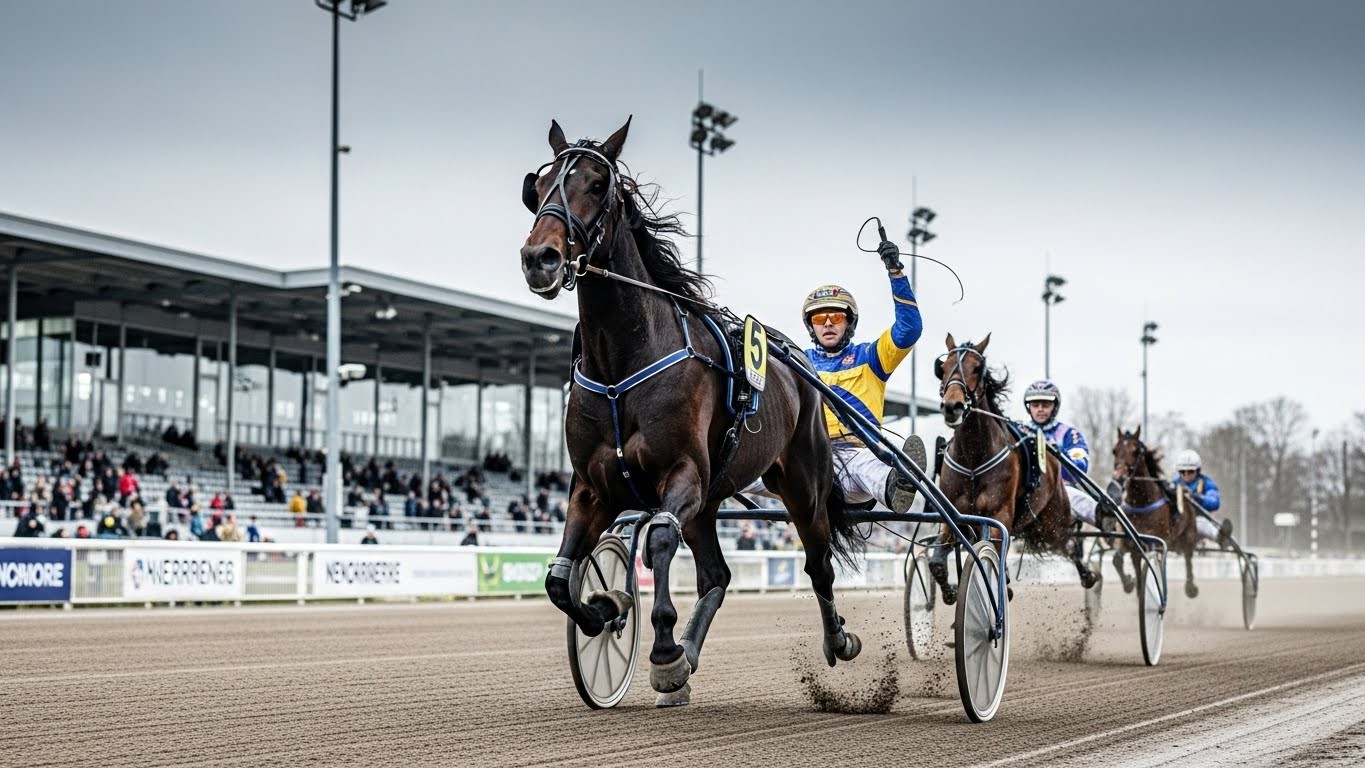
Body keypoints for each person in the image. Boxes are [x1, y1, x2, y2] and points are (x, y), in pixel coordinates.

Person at [743, 238, 927, 511]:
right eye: (819, 319)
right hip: (802, 461)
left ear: (849, 322)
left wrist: (896, 273)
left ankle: (897, 482)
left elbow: (909, 329)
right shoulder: (796, 362)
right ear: (811, 327)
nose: (828, 324)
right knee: (741, 466)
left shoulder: (872, 356)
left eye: (836, 318)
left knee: (868, 466)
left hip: (854, 457)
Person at [1020, 379, 1098, 526]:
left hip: (1060, 491)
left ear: (1054, 407)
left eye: (1046, 405)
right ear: (1028, 407)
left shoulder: (1069, 435)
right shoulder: (1018, 432)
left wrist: (1053, 460)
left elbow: (1079, 467)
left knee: (1077, 499)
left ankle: (1105, 517)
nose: (1040, 409)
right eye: (1035, 405)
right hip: (1025, 491)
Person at [1171, 449, 1233, 547]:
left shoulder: (1206, 483)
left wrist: (1196, 498)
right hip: (1177, 525)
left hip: (1196, 526)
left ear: (1198, 470)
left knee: (1201, 523)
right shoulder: (1174, 483)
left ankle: (1220, 536)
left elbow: (1215, 502)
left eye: (1190, 471)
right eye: (1182, 471)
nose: (1186, 474)